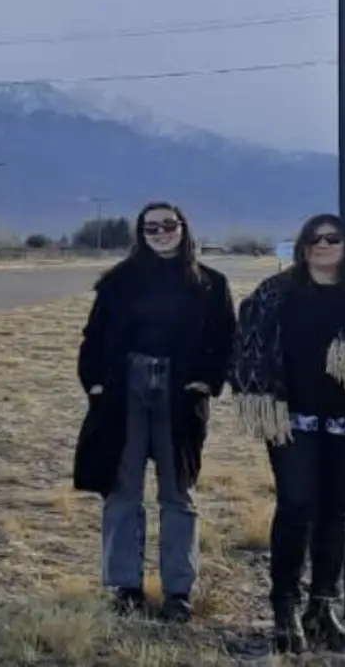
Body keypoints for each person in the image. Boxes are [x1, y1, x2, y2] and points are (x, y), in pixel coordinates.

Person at [230, 212, 345, 655]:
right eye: (314, 239)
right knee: (296, 505)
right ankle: (284, 608)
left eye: (334, 239)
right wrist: (264, 402)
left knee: (339, 513)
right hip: (292, 421)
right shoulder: (276, 295)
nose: (323, 245)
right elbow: (246, 349)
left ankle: (321, 607)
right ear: (303, 246)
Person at [72, 201, 237, 622]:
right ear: (140, 234)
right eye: (151, 228)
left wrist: (207, 382)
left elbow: (225, 340)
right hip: (124, 390)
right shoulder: (118, 282)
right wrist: (95, 384)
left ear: (183, 228)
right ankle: (124, 587)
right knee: (122, 490)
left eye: (168, 225)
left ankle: (178, 591)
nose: (161, 232)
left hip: (179, 394)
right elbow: (93, 338)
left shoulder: (210, 284)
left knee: (177, 492)